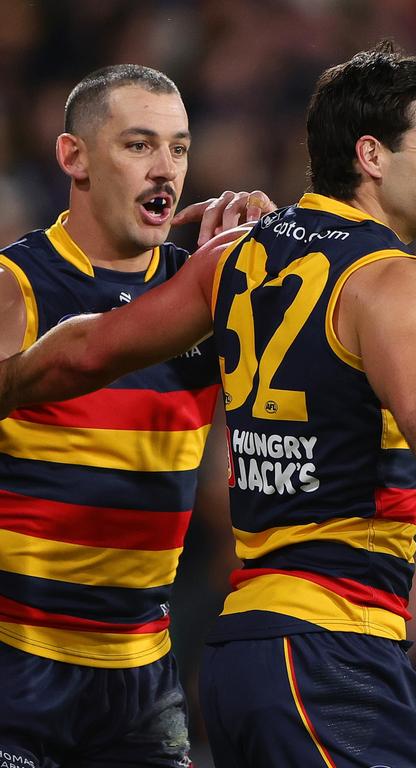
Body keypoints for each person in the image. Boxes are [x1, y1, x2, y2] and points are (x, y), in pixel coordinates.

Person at [0, 42, 416, 768]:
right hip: (331, 653)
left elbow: (88, 351)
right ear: (371, 156)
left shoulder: (237, 257)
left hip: (236, 652)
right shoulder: (397, 279)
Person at [0, 64, 272, 767]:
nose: (166, 170)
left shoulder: (209, 294)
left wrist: (281, 259)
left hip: (141, 677)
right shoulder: (16, 287)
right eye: (139, 145)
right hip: (15, 664)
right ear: (74, 156)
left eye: (179, 149)